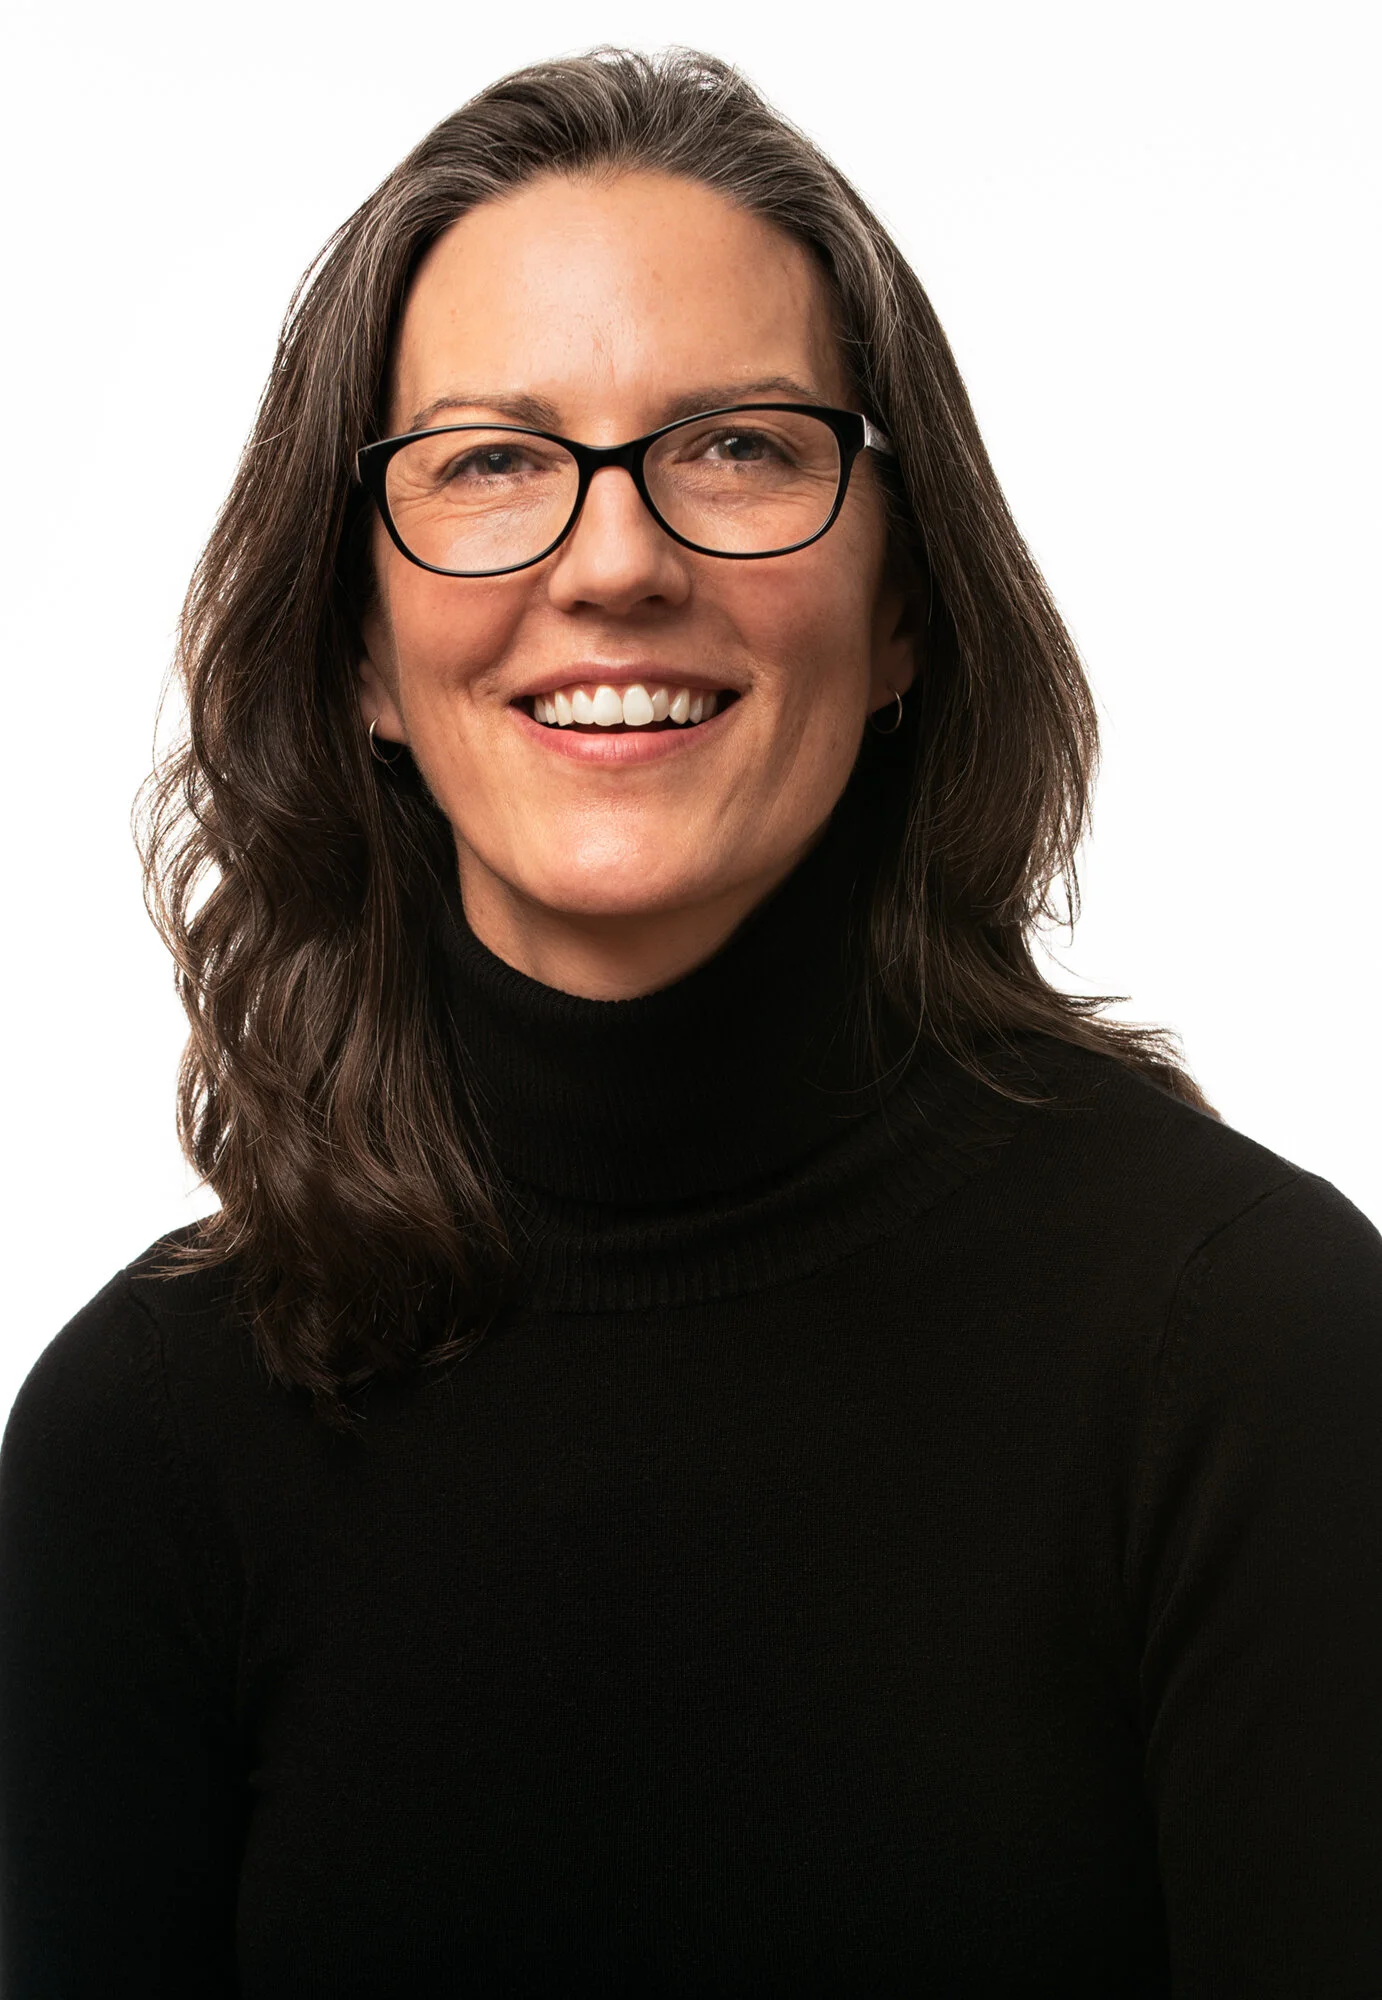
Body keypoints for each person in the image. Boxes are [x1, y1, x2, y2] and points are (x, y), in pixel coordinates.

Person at [1, 44, 1378, 1998]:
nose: (617, 560)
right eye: (489, 460)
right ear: (360, 649)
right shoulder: (140, 1437)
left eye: (736, 445)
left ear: (905, 610)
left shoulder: (1249, 1349)